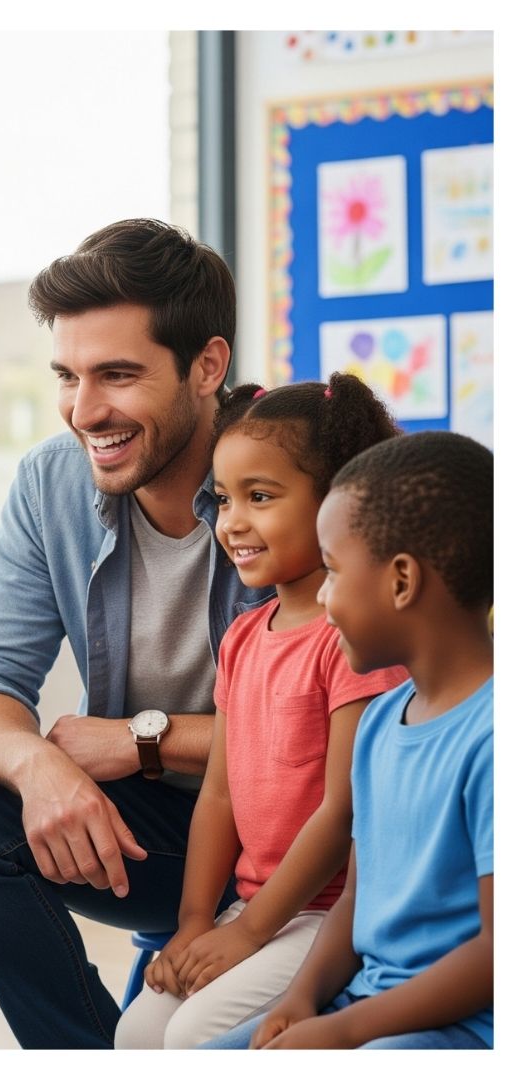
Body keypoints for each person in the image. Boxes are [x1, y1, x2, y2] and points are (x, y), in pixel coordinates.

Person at [0, 219, 275, 1048]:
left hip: (294, 838)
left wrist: (143, 741)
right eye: (67, 376)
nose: (84, 410)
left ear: (208, 366)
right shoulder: (51, 482)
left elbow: (341, 728)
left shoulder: (296, 473)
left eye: (118, 375)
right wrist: (39, 769)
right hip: (164, 837)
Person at [115, 373, 408, 1048]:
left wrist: (248, 933)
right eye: (223, 498)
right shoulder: (244, 637)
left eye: (261, 496)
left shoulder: (354, 642)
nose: (232, 521)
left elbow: (342, 810)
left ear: (337, 502)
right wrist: (195, 923)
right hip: (255, 908)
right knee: (137, 1035)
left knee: (190, 1037)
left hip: (331, 919)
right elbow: (218, 794)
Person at [200, 430, 493, 1050]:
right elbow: (356, 897)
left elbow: (501, 954)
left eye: (332, 572)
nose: (323, 598)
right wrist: (302, 999)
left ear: (402, 581)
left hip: (458, 1027)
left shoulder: (495, 738)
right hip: (360, 1000)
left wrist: (344, 1029)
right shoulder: (381, 721)